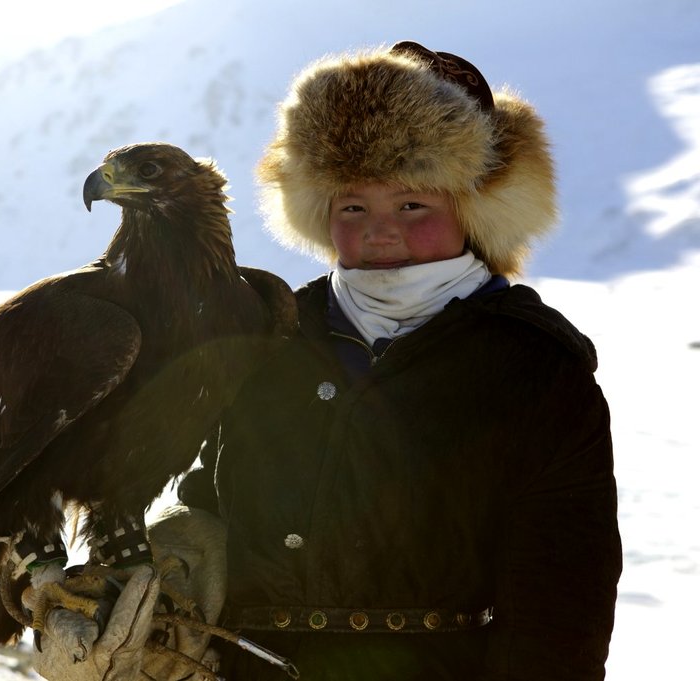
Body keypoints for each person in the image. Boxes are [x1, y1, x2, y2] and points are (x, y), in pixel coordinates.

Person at [33, 41, 622, 680]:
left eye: (412, 205)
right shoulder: (273, 333)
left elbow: (563, 597)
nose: (379, 230)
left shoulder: (532, 363)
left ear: (472, 209)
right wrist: (167, 576)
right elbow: (211, 493)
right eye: (352, 207)